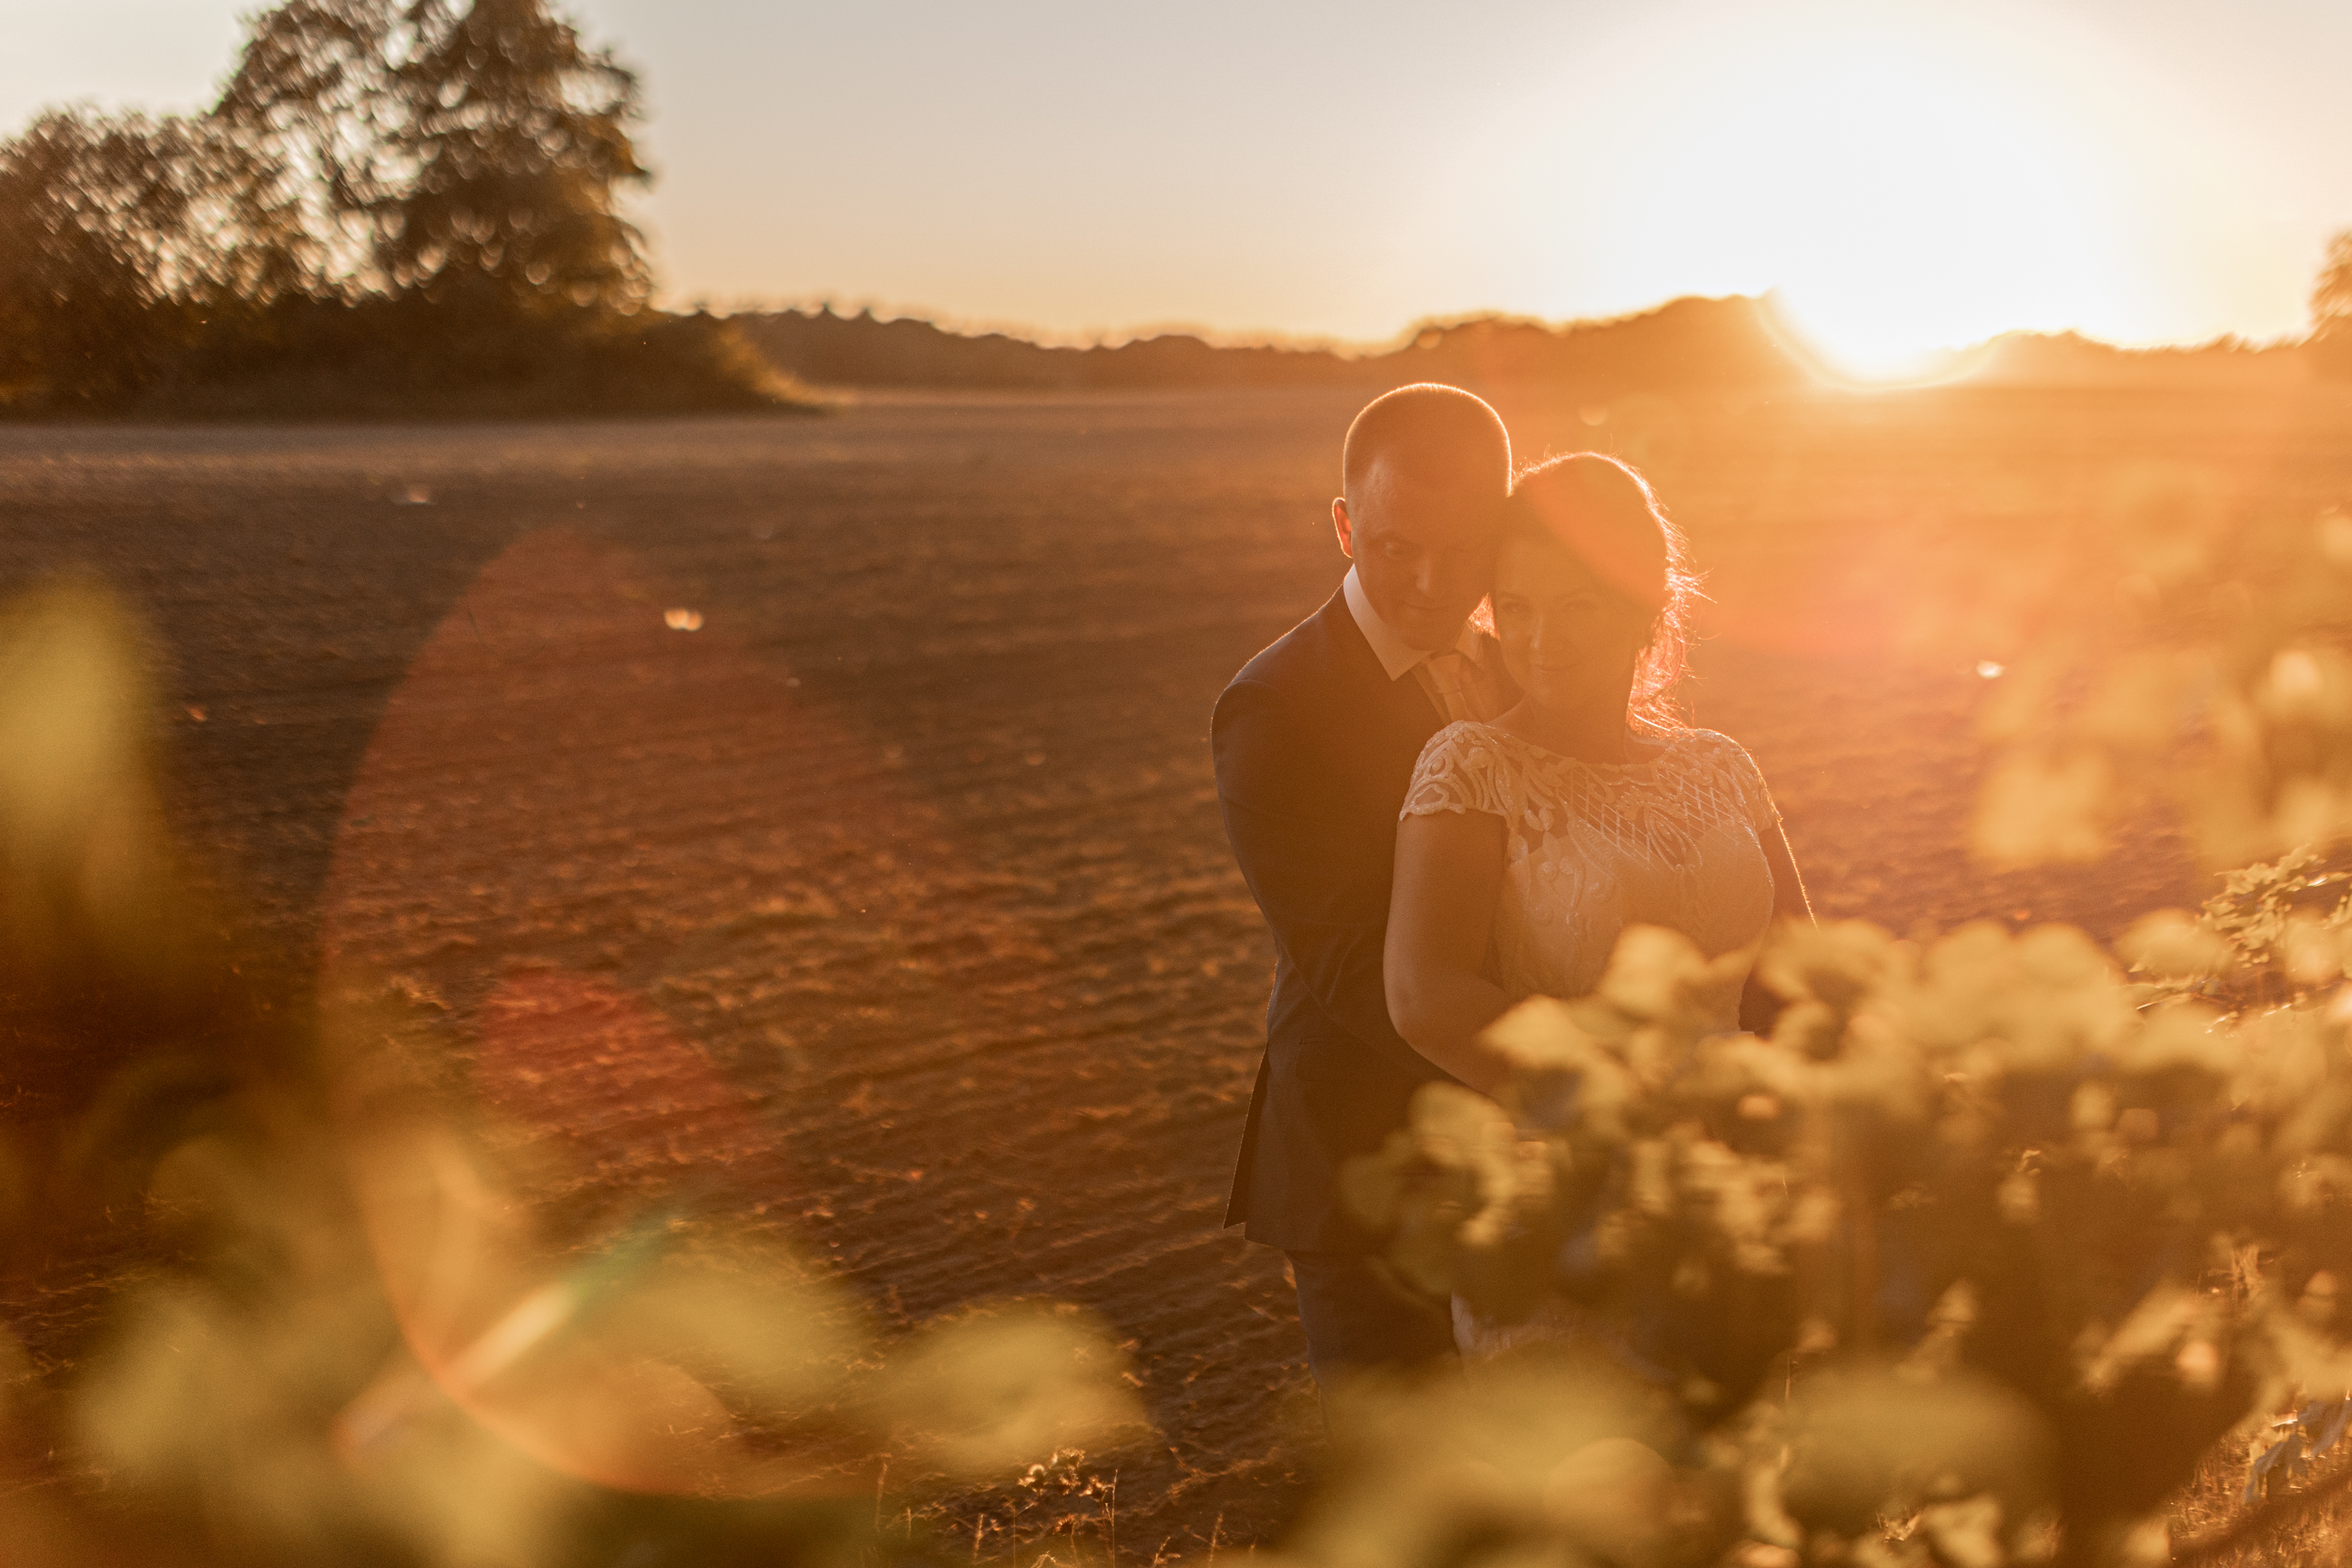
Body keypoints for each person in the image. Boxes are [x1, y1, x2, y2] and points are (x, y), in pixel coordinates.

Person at [1380, 451, 1812, 1354]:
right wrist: (1626, 1113)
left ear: (1643, 608)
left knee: (1732, 1472)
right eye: (1519, 608)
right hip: (1569, 1206)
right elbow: (1426, 995)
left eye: (1577, 605)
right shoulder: (1471, 766)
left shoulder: (1721, 765)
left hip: (1737, 1193)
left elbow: (1801, 969)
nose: (1542, 639)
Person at [1212, 383, 1516, 1397]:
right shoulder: (1277, 705)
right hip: (1369, 1169)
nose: (1431, 583)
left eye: (1463, 548)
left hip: (1533, 1179)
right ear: (1344, 526)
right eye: (1395, 547)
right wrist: (1567, 1086)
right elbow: (1352, 965)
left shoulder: (1528, 670)